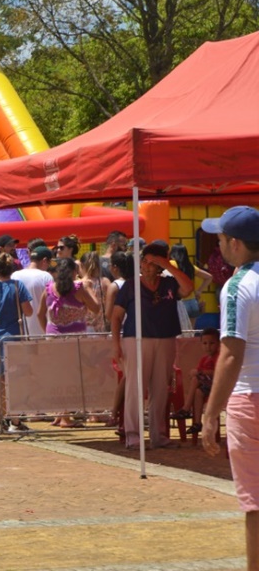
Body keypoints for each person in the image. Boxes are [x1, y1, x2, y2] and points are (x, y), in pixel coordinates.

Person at [200, 206, 259, 571]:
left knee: (255, 501)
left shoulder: (238, 287)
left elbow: (229, 355)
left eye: (220, 238)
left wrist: (210, 414)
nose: (218, 244)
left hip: (249, 398)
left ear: (235, 244)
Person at [111, 243, 194, 450]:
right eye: (144, 262)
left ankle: (159, 435)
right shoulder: (130, 285)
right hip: (136, 339)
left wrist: (167, 265)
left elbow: (188, 288)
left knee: (160, 388)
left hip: (165, 338)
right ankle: (133, 435)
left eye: (152, 263)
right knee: (135, 388)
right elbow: (116, 316)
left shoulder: (169, 284)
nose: (147, 267)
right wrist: (115, 344)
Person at [0, 252, 34, 432]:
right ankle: (15, 421)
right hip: (14, 337)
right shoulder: (18, 287)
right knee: (15, 380)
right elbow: (28, 312)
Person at [43, 257, 100, 335]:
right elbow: (96, 308)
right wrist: (88, 288)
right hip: (76, 338)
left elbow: (40, 314)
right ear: (74, 272)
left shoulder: (48, 289)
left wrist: (48, 331)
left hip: (53, 336)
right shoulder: (80, 289)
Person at [186, 328, 220, 436]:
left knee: (196, 378)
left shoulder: (218, 357)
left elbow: (218, 372)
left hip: (217, 386)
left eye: (211, 343)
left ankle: (186, 408)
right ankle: (197, 422)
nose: (208, 346)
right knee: (198, 393)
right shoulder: (204, 359)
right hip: (206, 387)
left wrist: (199, 372)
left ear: (218, 343)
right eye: (205, 343)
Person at [12, 245, 53, 336]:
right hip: (43, 329)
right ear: (45, 260)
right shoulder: (46, 276)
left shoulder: (15, 275)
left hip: (20, 331)